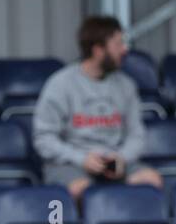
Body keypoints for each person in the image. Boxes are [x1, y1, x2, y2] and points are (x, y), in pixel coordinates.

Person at [33, 15, 163, 204]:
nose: (125, 50)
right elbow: (43, 139)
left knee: (151, 182)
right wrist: (81, 158)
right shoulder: (60, 84)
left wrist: (121, 158)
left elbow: (137, 135)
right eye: (118, 45)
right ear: (98, 50)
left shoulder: (126, 85)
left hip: (116, 162)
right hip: (72, 164)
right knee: (82, 192)